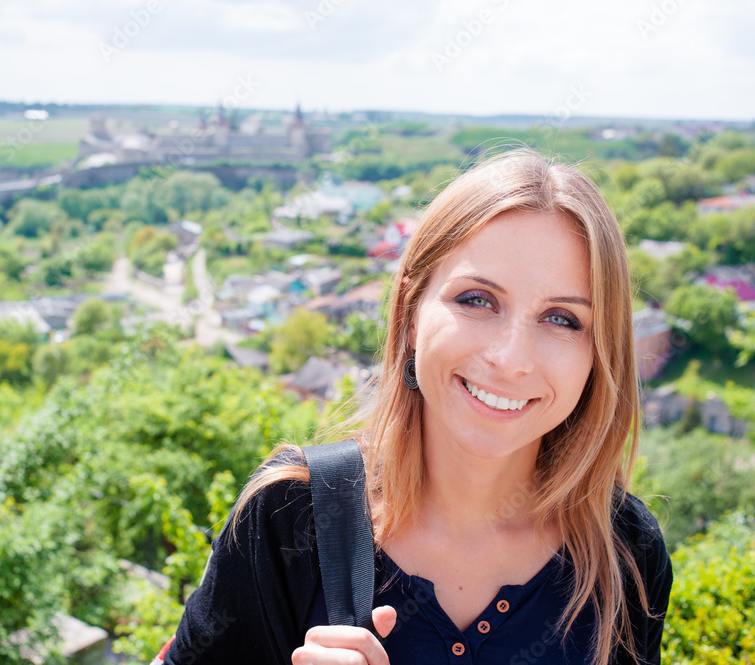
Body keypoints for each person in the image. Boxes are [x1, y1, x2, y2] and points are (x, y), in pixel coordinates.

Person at [160, 150, 673, 665]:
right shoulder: (292, 517)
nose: (511, 359)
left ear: (598, 351)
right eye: (477, 300)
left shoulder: (626, 553)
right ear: (410, 313)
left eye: (561, 319)